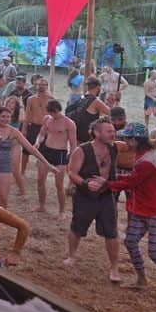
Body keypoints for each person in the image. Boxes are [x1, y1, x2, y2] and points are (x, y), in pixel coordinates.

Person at [104, 124, 156, 288]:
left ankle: (142, 280)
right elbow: (132, 179)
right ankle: (141, 280)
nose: (124, 140)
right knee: (131, 241)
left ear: (134, 141)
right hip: (146, 209)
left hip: (155, 211)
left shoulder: (145, 161)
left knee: (155, 253)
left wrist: (106, 182)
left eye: (126, 138)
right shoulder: (144, 155)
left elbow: (131, 181)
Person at [64, 118, 122, 282]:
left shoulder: (114, 148)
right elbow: (72, 173)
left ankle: (114, 268)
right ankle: (71, 256)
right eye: (109, 131)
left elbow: (137, 146)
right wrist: (85, 184)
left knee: (111, 232)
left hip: (106, 196)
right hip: (85, 196)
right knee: (77, 227)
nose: (113, 133)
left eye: (113, 130)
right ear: (97, 133)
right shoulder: (81, 150)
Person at [0, 105, 56, 208]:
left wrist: (47, 164)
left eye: (8, 117)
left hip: (4, 166)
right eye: (3, 116)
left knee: (3, 197)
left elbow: (31, 149)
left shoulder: (13, 131)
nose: (6, 119)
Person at [34, 100, 76, 216]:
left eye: (54, 113)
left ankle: (61, 211)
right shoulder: (47, 119)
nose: (53, 115)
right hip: (47, 150)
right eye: (51, 113)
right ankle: (42, 206)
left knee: (59, 184)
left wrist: (71, 157)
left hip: (60, 153)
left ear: (58, 110)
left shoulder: (69, 123)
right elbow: (42, 134)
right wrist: (38, 142)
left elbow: (73, 143)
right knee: (40, 180)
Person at [23, 76, 53, 174]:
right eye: (39, 84)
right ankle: (22, 171)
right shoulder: (31, 99)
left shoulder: (51, 99)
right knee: (26, 150)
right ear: (35, 86)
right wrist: (24, 129)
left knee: (44, 151)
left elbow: (54, 115)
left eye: (43, 85)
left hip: (45, 128)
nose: (41, 87)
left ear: (47, 86)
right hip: (33, 127)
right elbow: (27, 115)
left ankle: (42, 172)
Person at [72, 77, 110, 145]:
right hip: (88, 137)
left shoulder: (82, 98)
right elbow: (112, 113)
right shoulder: (96, 101)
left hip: (78, 134)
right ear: (98, 87)